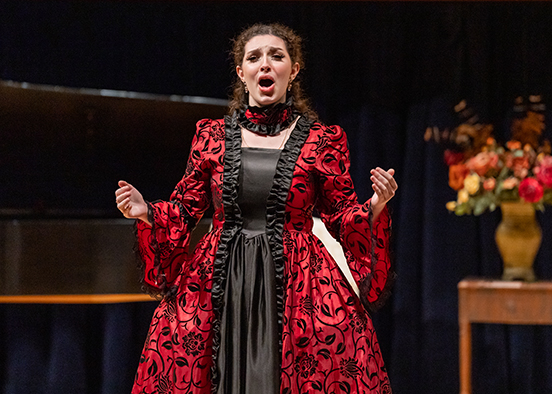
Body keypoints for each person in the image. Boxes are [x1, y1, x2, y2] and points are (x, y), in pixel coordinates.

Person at [115, 23, 397, 394]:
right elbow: (185, 207)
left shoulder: (321, 140)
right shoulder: (212, 136)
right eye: (254, 57)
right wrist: (147, 211)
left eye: (276, 56)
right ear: (241, 73)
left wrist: (375, 205)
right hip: (220, 279)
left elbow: (342, 214)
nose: (265, 64)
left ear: (293, 70)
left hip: (298, 282)